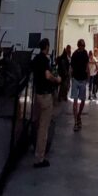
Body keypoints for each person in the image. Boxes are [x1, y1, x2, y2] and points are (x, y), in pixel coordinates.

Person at [32, 38, 61, 169]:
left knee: (36, 124)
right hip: (45, 95)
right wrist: (57, 80)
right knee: (44, 128)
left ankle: (35, 149)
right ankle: (39, 158)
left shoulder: (35, 59)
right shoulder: (44, 60)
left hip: (36, 94)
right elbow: (48, 75)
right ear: (47, 47)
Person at [70, 38, 90, 131]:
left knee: (82, 100)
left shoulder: (85, 53)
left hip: (82, 80)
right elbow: (72, 67)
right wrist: (71, 78)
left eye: (83, 45)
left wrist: (88, 76)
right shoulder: (74, 54)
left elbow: (87, 65)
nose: (82, 47)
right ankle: (75, 122)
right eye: (81, 45)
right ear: (78, 45)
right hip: (76, 79)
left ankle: (79, 115)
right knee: (75, 100)